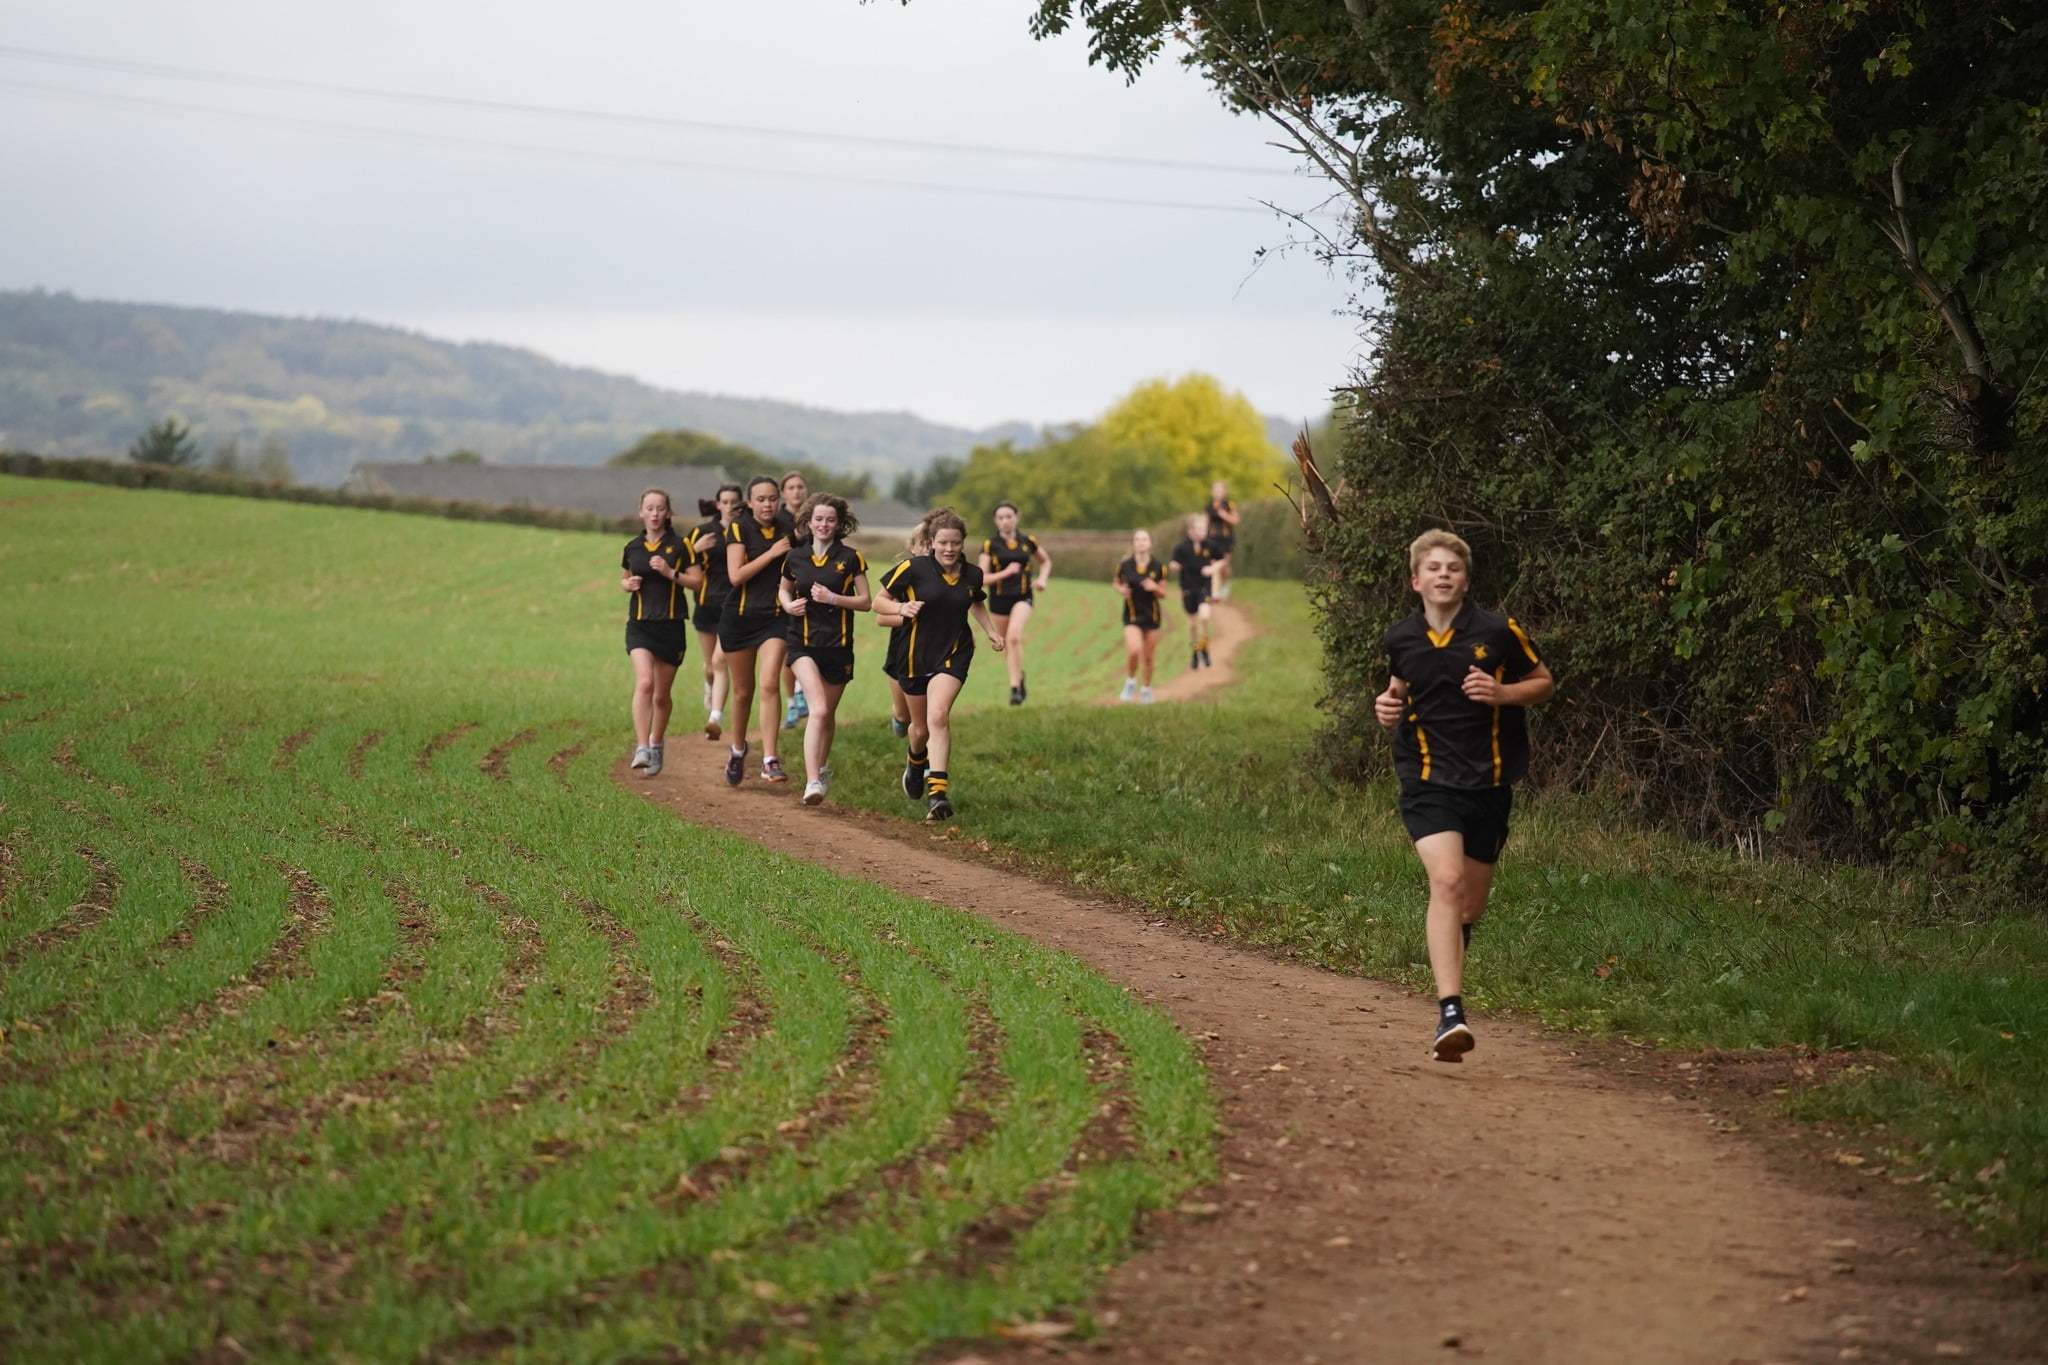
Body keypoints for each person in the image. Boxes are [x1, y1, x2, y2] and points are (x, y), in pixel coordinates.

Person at [1373, 529, 1554, 1063]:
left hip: (1489, 784)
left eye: (1452, 567)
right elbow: (1396, 692)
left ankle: (1451, 954)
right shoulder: (1400, 638)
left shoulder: (1498, 632)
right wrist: (1386, 708)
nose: (1443, 574)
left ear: (1466, 579)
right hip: (1426, 780)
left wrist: (1503, 693)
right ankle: (1450, 1012)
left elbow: (1544, 683)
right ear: (1415, 580)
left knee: (1470, 902)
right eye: (1433, 567)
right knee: (1446, 882)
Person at [875, 508, 1004, 822]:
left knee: (938, 716)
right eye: (943, 542)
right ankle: (915, 761)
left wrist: (990, 631)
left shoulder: (973, 574)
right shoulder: (912, 568)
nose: (949, 549)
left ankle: (938, 794)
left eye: (955, 543)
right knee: (918, 729)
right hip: (913, 657)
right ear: (931, 542)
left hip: (953, 653)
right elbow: (878, 602)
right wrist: (902, 607)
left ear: (963, 543)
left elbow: (975, 599)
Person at [777, 493, 871, 805]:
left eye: (830, 519)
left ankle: (822, 767)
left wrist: (833, 598)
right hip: (802, 643)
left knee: (826, 715)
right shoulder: (795, 558)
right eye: (818, 519)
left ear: (840, 523)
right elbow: (783, 590)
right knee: (817, 709)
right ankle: (812, 781)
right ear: (808, 522)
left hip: (838, 645)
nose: (824, 524)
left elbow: (866, 602)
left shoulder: (851, 557)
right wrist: (789, 606)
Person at [620, 488, 703, 779]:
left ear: (668, 512)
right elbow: (625, 577)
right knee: (644, 683)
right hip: (640, 624)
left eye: (660, 509)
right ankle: (641, 747)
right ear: (641, 511)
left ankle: (657, 743)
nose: (654, 514)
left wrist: (670, 573)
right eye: (649, 508)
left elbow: (697, 583)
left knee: (661, 695)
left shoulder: (680, 546)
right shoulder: (632, 547)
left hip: (671, 626)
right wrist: (627, 585)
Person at [719, 476, 795, 785]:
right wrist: (773, 553)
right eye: (761, 499)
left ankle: (769, 759)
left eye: (772, 499)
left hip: (775, 618)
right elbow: (736, 575)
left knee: (768, 682)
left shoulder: (787, 529)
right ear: (749, 502)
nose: (767, 504)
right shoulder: (739, 527)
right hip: (739, 617)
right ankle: (738, 750)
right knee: (742, 692)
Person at [977, 501, 1051, 706]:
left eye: (1009, 516)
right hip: (999, 600)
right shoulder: (989, 545)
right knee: (1007, 645)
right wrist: (1005, 573)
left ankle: (1014, 688)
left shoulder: (1028, 541)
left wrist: (1042, 579)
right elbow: (981, 578)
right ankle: (1018, 675)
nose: (1005, 521)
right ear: (995, 521)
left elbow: (1045, 561)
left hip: (1023, 596)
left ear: (1017, 517)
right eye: (1000, 518)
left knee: (1014, 637)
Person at [691, 482, 743, 741]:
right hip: (705, 605)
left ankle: (715, 717)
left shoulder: (746, 531)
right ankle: (709, 685)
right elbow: (676, 560)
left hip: (733, 607)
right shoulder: (703, 532)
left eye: (735, 502)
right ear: (717, 504)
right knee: (710, 665)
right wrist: (694, 550)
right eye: (726, 501)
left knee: (721, 661)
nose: (730, 506)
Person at [1113, 527, 1170, 702]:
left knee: (1149, 656)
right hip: (1131, 614)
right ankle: (1130, 682)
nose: (1141, 542)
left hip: (1151, 615)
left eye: (1144, 539)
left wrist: (1155, 588)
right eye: (1137, 539)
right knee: (1134, 650)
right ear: (1133, 544)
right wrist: (1121, 590)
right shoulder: (1124, 566)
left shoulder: (1159, 567)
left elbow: (1164, 593)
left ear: (1150, 543)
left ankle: (1146, 689)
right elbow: (1116, 583)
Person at [1168, 512, 1224, 670]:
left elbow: (1221, 560)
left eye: (1204, 528)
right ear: (1190, 530)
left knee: (1205, 617)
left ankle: (1204, 645)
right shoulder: (1182, 547)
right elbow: (1174, 562)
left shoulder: (1210, 545)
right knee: (1192, 624)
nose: (1202, 532)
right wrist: (1174, 566)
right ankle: (1195, 650)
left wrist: (1212, 568)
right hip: (1188, 588)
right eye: (1199, 529)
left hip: (1204, 587)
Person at [778, 470, 811, 731]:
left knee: (809, 645)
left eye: (801, 486)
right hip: (784, 590)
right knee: (787, 651)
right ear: (783, 492)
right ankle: (791, 702)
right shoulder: (778, 520)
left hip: (811, 592)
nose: (797, 491)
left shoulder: (817, 518)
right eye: (791, 487)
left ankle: (802, 691)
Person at [1205, 480, 1241, 601]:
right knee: (1213, 565)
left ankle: (1226, 585)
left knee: (1224, 565)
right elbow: (1205, 521)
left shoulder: (1229, 505)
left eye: (1220, 490)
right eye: (1215, 490)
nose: (1217, 493)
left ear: (1224, 492)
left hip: (1226, 539)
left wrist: (1223, 515)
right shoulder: (1209, 506)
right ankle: (1215, 592)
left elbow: (1236, 521)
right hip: (1212, 539)